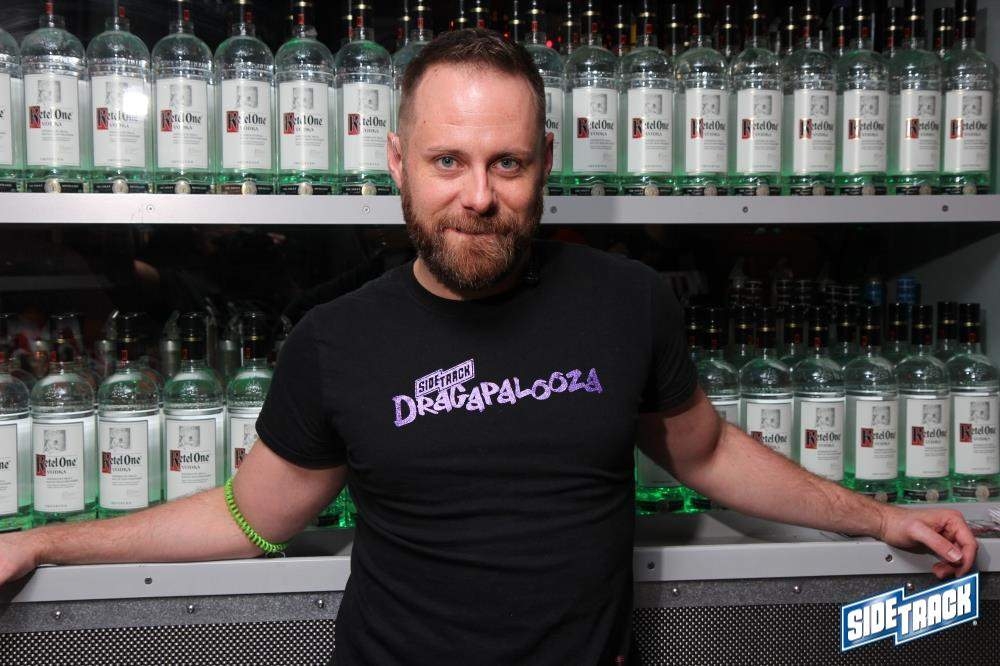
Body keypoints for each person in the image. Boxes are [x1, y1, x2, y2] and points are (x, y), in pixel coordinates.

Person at [0, 29, 978, 665]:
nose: (478, 197)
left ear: (544, 162)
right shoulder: (336, 339)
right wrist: (44, 540)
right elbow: (247, 519)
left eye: (506, 163)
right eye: (448, 162)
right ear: (398, 164)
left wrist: (877, 517)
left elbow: (709, 452)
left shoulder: (626, 302)